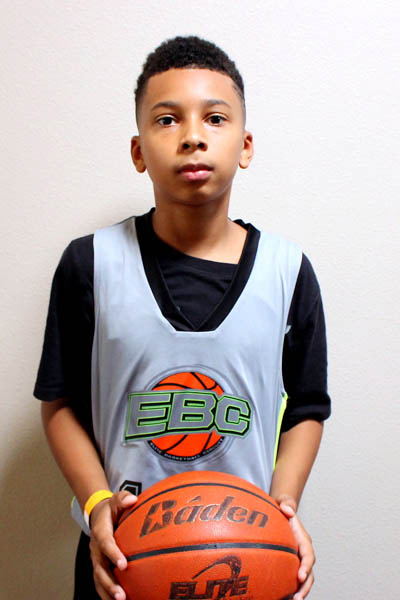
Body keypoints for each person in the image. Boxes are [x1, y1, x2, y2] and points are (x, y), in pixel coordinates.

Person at [35, 35, 330, 600]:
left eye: (214, 118)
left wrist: (283, 507)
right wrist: (98, 504)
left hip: (243, 555)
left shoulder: (288, 271)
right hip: (121, 557)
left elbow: (308, 407)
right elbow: (60, 402)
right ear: (138, 151)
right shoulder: (90, 264)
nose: (193, 135)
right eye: (167, 119)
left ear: (245, 145)